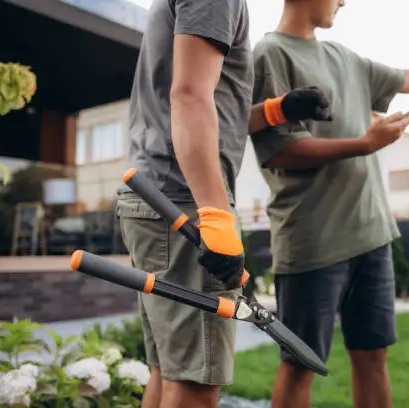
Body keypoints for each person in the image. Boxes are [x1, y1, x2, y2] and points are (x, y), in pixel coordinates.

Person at [249, 1, 409, 407]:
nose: (343, 1)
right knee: (299, 365)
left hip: (372, 235)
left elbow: (405, 78)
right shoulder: (269, 55)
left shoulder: (344, 57)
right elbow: (279, 151)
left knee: (372, 356)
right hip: (313, 240)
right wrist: (366, 144)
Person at [114, 1, 333, 408]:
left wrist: (275, 110)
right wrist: (215, 213)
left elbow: (203, 101)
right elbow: (190, 97)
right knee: (195, 383)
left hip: (162, 194)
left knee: (170, 371)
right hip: (183, 200)